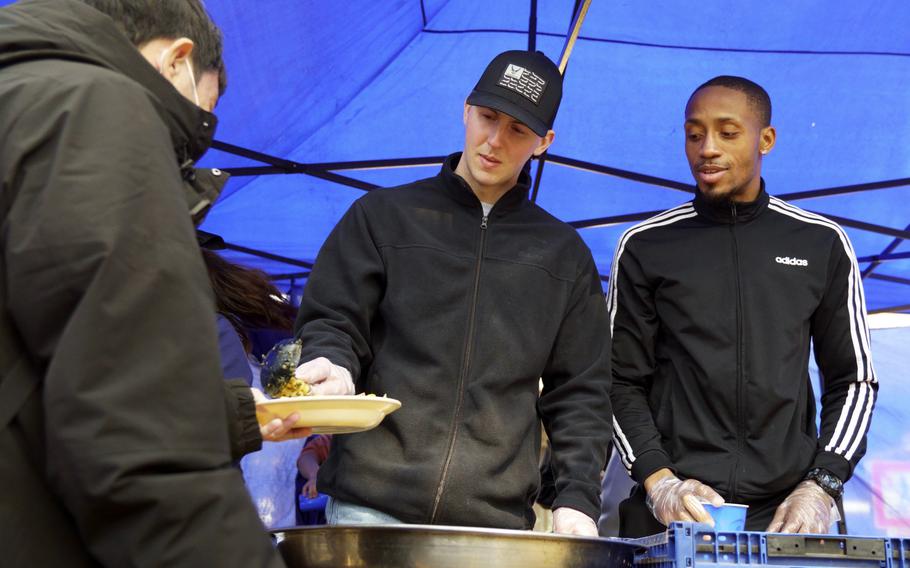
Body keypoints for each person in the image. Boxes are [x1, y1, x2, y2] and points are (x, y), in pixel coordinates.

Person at [0, 0, 285, 565]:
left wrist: (233, 411)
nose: (185, 152)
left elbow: (44, 363)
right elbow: (146, 449)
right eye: (196, 124)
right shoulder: (95, 107)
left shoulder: (20, 96)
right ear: (177, 60)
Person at [289, 50, 613, 535]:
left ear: (544, 142)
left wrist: (577, 499)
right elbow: (333, 320)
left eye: (518, 131)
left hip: (495, 527)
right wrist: (333, 364)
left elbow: (582, 392)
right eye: (487, 117)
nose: (494, 140)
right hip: (369, 510)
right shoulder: (382, 217)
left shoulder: (564, 256)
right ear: (466, 109)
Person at [608, 75, 878, 537]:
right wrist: (659, 481)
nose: (707, 148)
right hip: (674, 515)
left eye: (727, 133)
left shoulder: (821, 243)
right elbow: (617, 379)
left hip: (787, 516)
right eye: (694, 135)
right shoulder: (645, 246)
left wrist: (822, 485)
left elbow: (853, 380)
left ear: (765, 139)